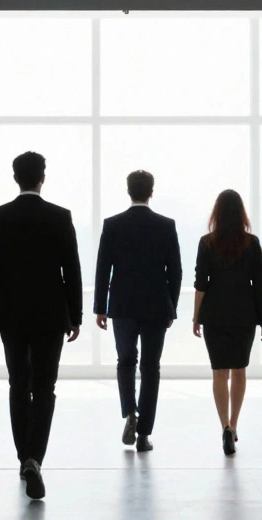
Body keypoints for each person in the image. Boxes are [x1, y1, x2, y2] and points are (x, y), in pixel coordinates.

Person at [0, 151, 82, 500]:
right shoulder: (60, 217)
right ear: (42, 178)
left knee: (18, 384)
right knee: (45, 387)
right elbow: (72, 271)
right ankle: (35, 457)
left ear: (15, 178)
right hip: (51, 317)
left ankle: (24, 457)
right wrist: (76, 315)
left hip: (10, 316)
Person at [93, 170, 182, 453]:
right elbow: (176, 272)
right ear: (151, 192)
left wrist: (100, 308)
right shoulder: (166, 225)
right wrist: (172, 306)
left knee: (126, 361)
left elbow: (103, 268)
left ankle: (130, 412)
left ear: (128, 191)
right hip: (156, 305)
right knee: (151, 367)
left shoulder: (113, 224)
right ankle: (144, 435)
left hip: (122, 305)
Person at [192, 189, 262, 457]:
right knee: (239, 370)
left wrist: (196, 316)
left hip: (214, 314)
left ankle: (223, 425)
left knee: (218, 373)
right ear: (241, 214)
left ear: (217, 213)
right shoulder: (251, 243)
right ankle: (234, 425)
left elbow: (201, 284)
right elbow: (259, 285)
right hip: (244, 314)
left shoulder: (206, 243)